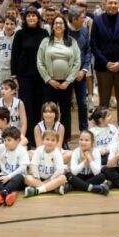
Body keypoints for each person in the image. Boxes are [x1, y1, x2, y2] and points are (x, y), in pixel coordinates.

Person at [37, 14, 80, 144]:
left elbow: (77, 62)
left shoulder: (72, 42)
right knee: (49, 111)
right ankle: (48, 138)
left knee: (66, 111)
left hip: (66, 83)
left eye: (61, 23)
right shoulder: (46, 41)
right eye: (56, 23)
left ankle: (64, 140)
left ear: (65, 26)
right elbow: (39, 61)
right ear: (52, 26)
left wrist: (68, 81)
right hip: (50, 82)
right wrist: (48, 79)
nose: (58, 25)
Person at [90, 0, 119, 112]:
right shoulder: (97, 20)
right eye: (110, 3)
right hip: (103, 67)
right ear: (105, 4)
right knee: (104, 102)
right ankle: (103, 124)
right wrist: (106, 63)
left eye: (115, 3)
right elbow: (93, 44)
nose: (113, 5)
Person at [10, 7, 49, 140]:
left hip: (41, 75)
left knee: (39, 105)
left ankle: (40, 136)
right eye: (28, 16)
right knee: (27, 106)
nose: (31, 18)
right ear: (25, 18)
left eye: (33, 15)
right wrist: (14, 75)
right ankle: (29, 137)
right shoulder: (19, 34)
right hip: (24, 75)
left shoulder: (44, 33)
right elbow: (14, 55)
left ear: (38, 18)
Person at [67, 6, 92, 132]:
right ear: (74, 19)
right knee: (66, 104)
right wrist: (71, 72)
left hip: (81, 75)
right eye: (82, 18)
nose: (84, 20)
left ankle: (84, 130)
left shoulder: (84, 31)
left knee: (82, 103)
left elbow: (87, 51)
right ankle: (66, 133)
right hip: (65, 75)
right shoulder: (63, 31)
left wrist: (84, 70)